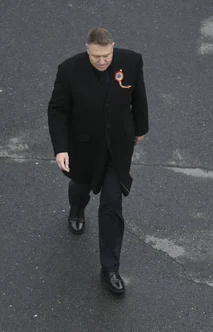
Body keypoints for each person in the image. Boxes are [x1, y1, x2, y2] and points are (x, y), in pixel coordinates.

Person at [47, 28, 148, 295]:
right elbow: (57, 110)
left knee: (112, 204)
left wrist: (140, 129)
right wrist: (61, 149)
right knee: (80, 188)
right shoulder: (69, 70)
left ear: (113, 48)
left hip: (117, 147)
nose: (102, 61)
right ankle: (77, 209)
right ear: (87, 49)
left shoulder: (132, 61)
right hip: (83, 147)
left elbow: (138, 97)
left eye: (107, 55)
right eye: (96, 57)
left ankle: (110, 269)